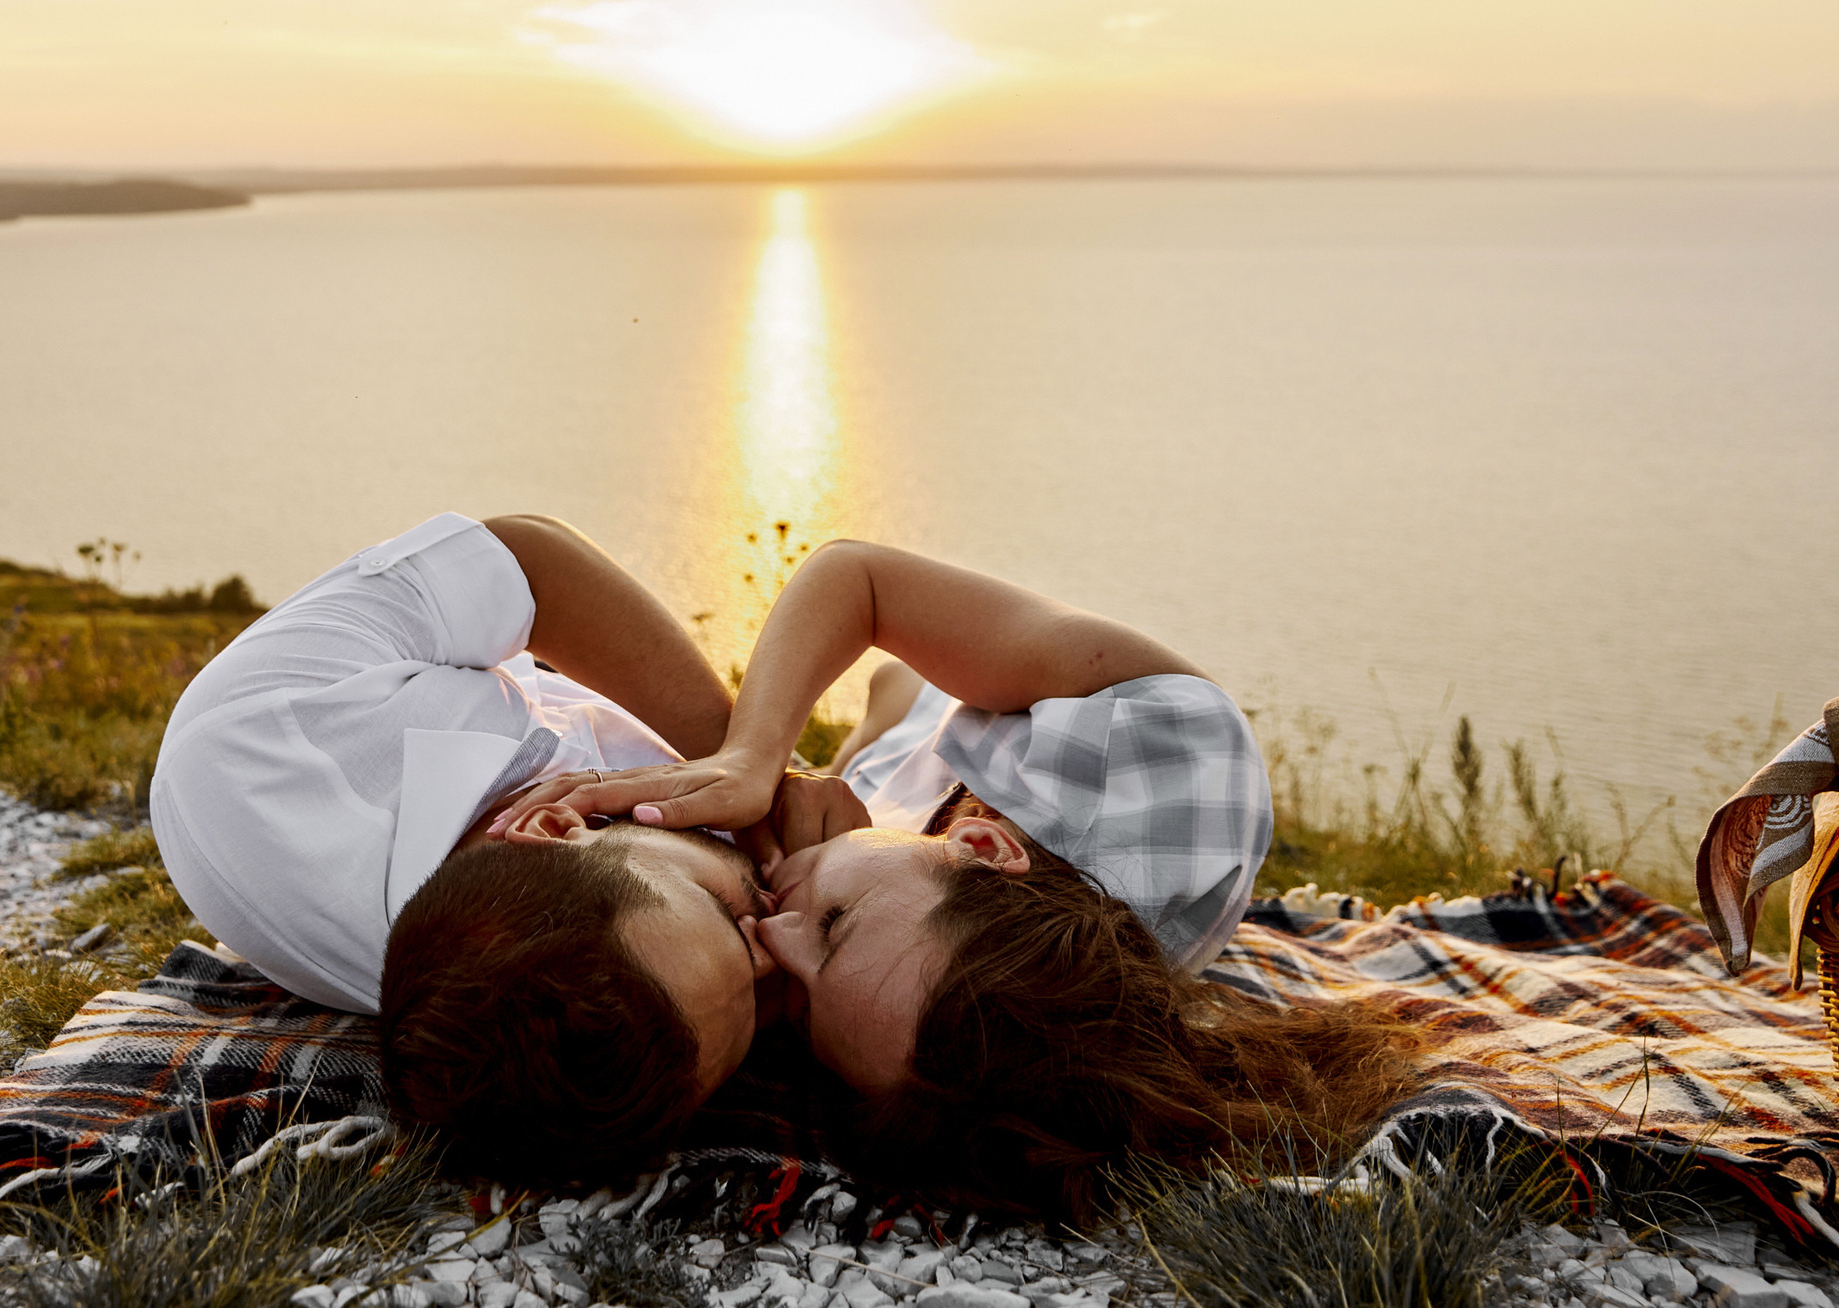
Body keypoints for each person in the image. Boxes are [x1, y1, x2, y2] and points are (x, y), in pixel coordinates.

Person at [516, 537, 1419, 1218]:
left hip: (891, 816)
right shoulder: (1166, 762)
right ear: (986, 848)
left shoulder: (918, 1029)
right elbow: (857, 578)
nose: (769, 938)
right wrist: (758, 753)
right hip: (982, 724)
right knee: (901, 680)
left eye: (801, 985)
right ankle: (892, 716)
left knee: (841, 803)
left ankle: (872, 742)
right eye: (830, 926)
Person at [149, 511, 781, 1184]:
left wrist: (757, 770)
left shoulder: (267, 728)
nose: (777, 929)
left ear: (554, 828)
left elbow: (530, 563)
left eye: (725, 906)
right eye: (762, 1002)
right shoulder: (624, 1010)